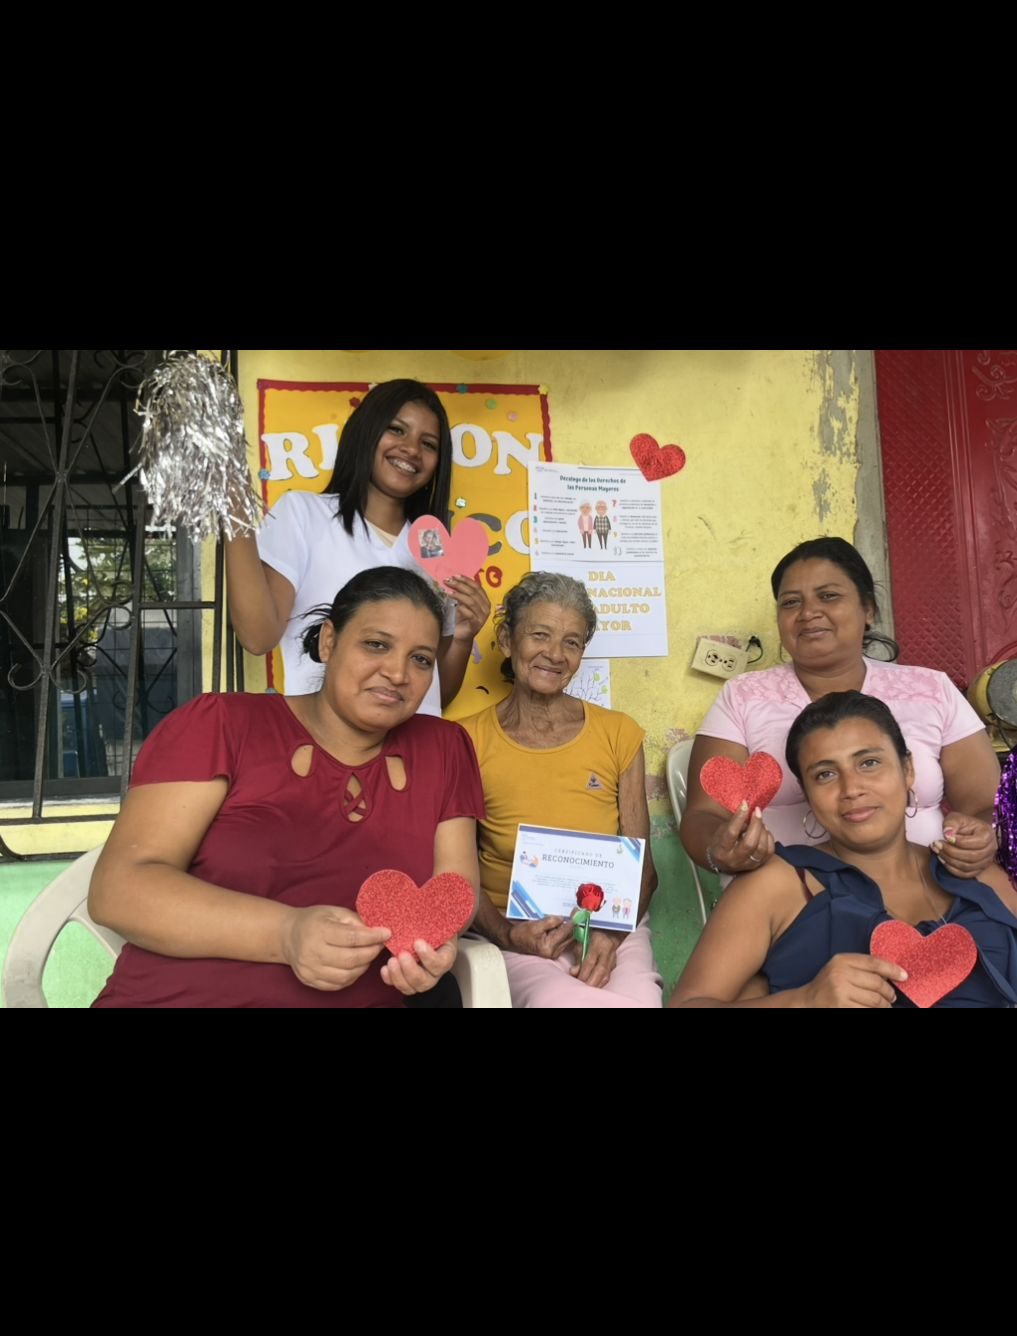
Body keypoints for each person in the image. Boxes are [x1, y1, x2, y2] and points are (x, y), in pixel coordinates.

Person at [89, 569, 484, 1009]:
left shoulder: (443, 749)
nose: (396, 672)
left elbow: (455, 888)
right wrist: (286, 933)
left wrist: (435, 942)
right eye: (376, 644)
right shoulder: (222, 725)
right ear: (329, 641)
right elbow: (118, 890)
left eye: (421, 659)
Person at [670, 693, 1017, 1009]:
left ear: (908, 771)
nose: (852, 788)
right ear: (808, 796)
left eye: (869, 762)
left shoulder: (979, 880)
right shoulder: (778, 884)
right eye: (825, 774)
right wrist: (803, 1000)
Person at [681, 537, 1003, 885]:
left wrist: (982, 835)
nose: (808, 612)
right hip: (785, 899)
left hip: (929, 890)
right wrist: (719, 851)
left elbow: (985, 802)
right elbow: (703, 816)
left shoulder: (931, 689)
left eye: (828, 596)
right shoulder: (742, 696)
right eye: (791, 602)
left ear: (868, 609)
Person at [457, 572, 662, 1008]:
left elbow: (644, 869)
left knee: (641, 1000)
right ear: (507, 640)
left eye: (572, 642)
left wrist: (610, 935)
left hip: (611, 928)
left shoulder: (619, 734)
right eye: (540, 635)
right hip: (514, 932)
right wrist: (508, 935)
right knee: (561, 1001)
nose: (555, 654)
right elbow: (456, 871)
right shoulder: (465, 741)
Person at [224, 379, 492, 711]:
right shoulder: (303, 514)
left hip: (415, 743)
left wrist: (463, 637)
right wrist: (233, 510)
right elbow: (257, 637)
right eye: (396, 429)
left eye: (428, 443)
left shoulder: (433, 547)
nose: (411, 449)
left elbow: (435, 695)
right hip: (327, 739)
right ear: (365, 431)